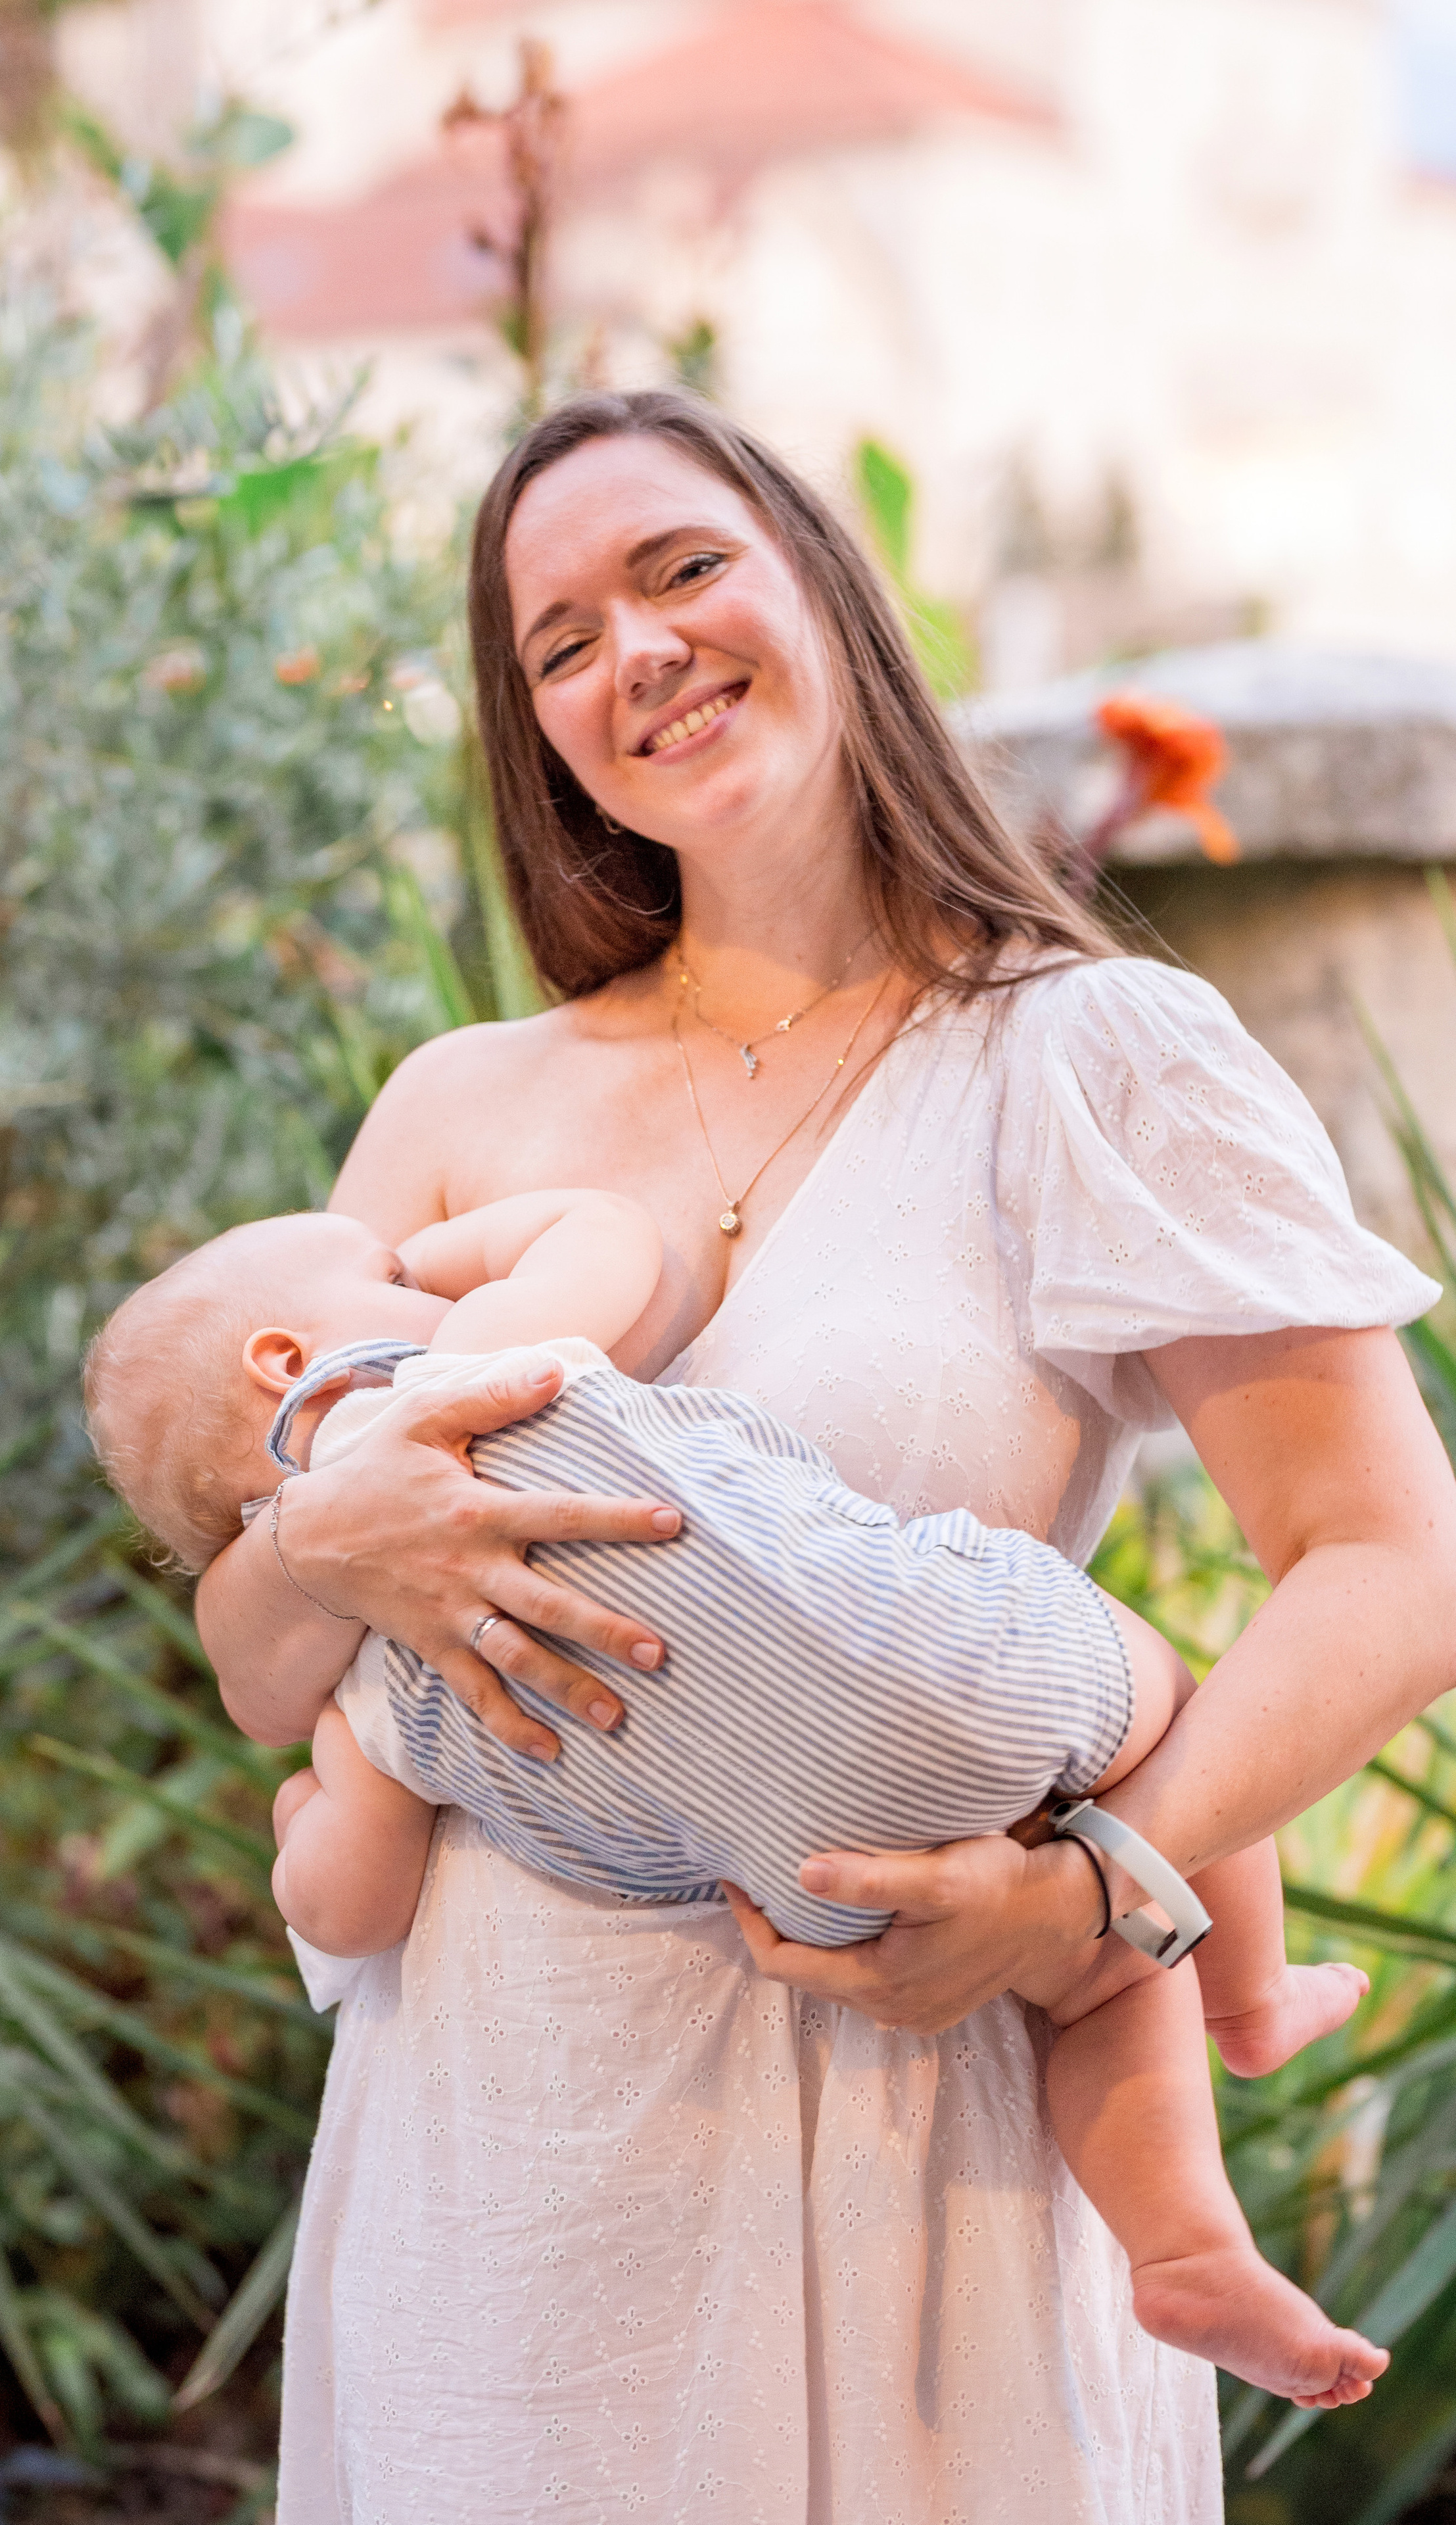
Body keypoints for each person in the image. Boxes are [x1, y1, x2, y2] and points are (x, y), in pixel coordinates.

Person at [195, 389, 1455, 2523]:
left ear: (823, 586)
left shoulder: (1087, 1054)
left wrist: (1091, 1888)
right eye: (562, 638)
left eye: (683, 569)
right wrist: (342, 1536)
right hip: (495, 2178)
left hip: (913, 2168)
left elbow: (1388, 1561)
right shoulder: (452, 1109)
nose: (640, 653)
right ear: (538, 732)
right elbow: (255, 1668)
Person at [88, 1193, 1384, 2403]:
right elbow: (609, 1239)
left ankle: (1181, 2258)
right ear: (286, 1359)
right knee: (1173, 1703)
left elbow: (348, 1906)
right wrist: (444, 1263)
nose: (407, 1273)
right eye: (378, 1273)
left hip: (809, 1881)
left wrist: (296, 1827)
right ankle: (1251, 2000)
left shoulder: (366, 1676)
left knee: (1094, 1985)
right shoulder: (444, 1376)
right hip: (945, 1672)